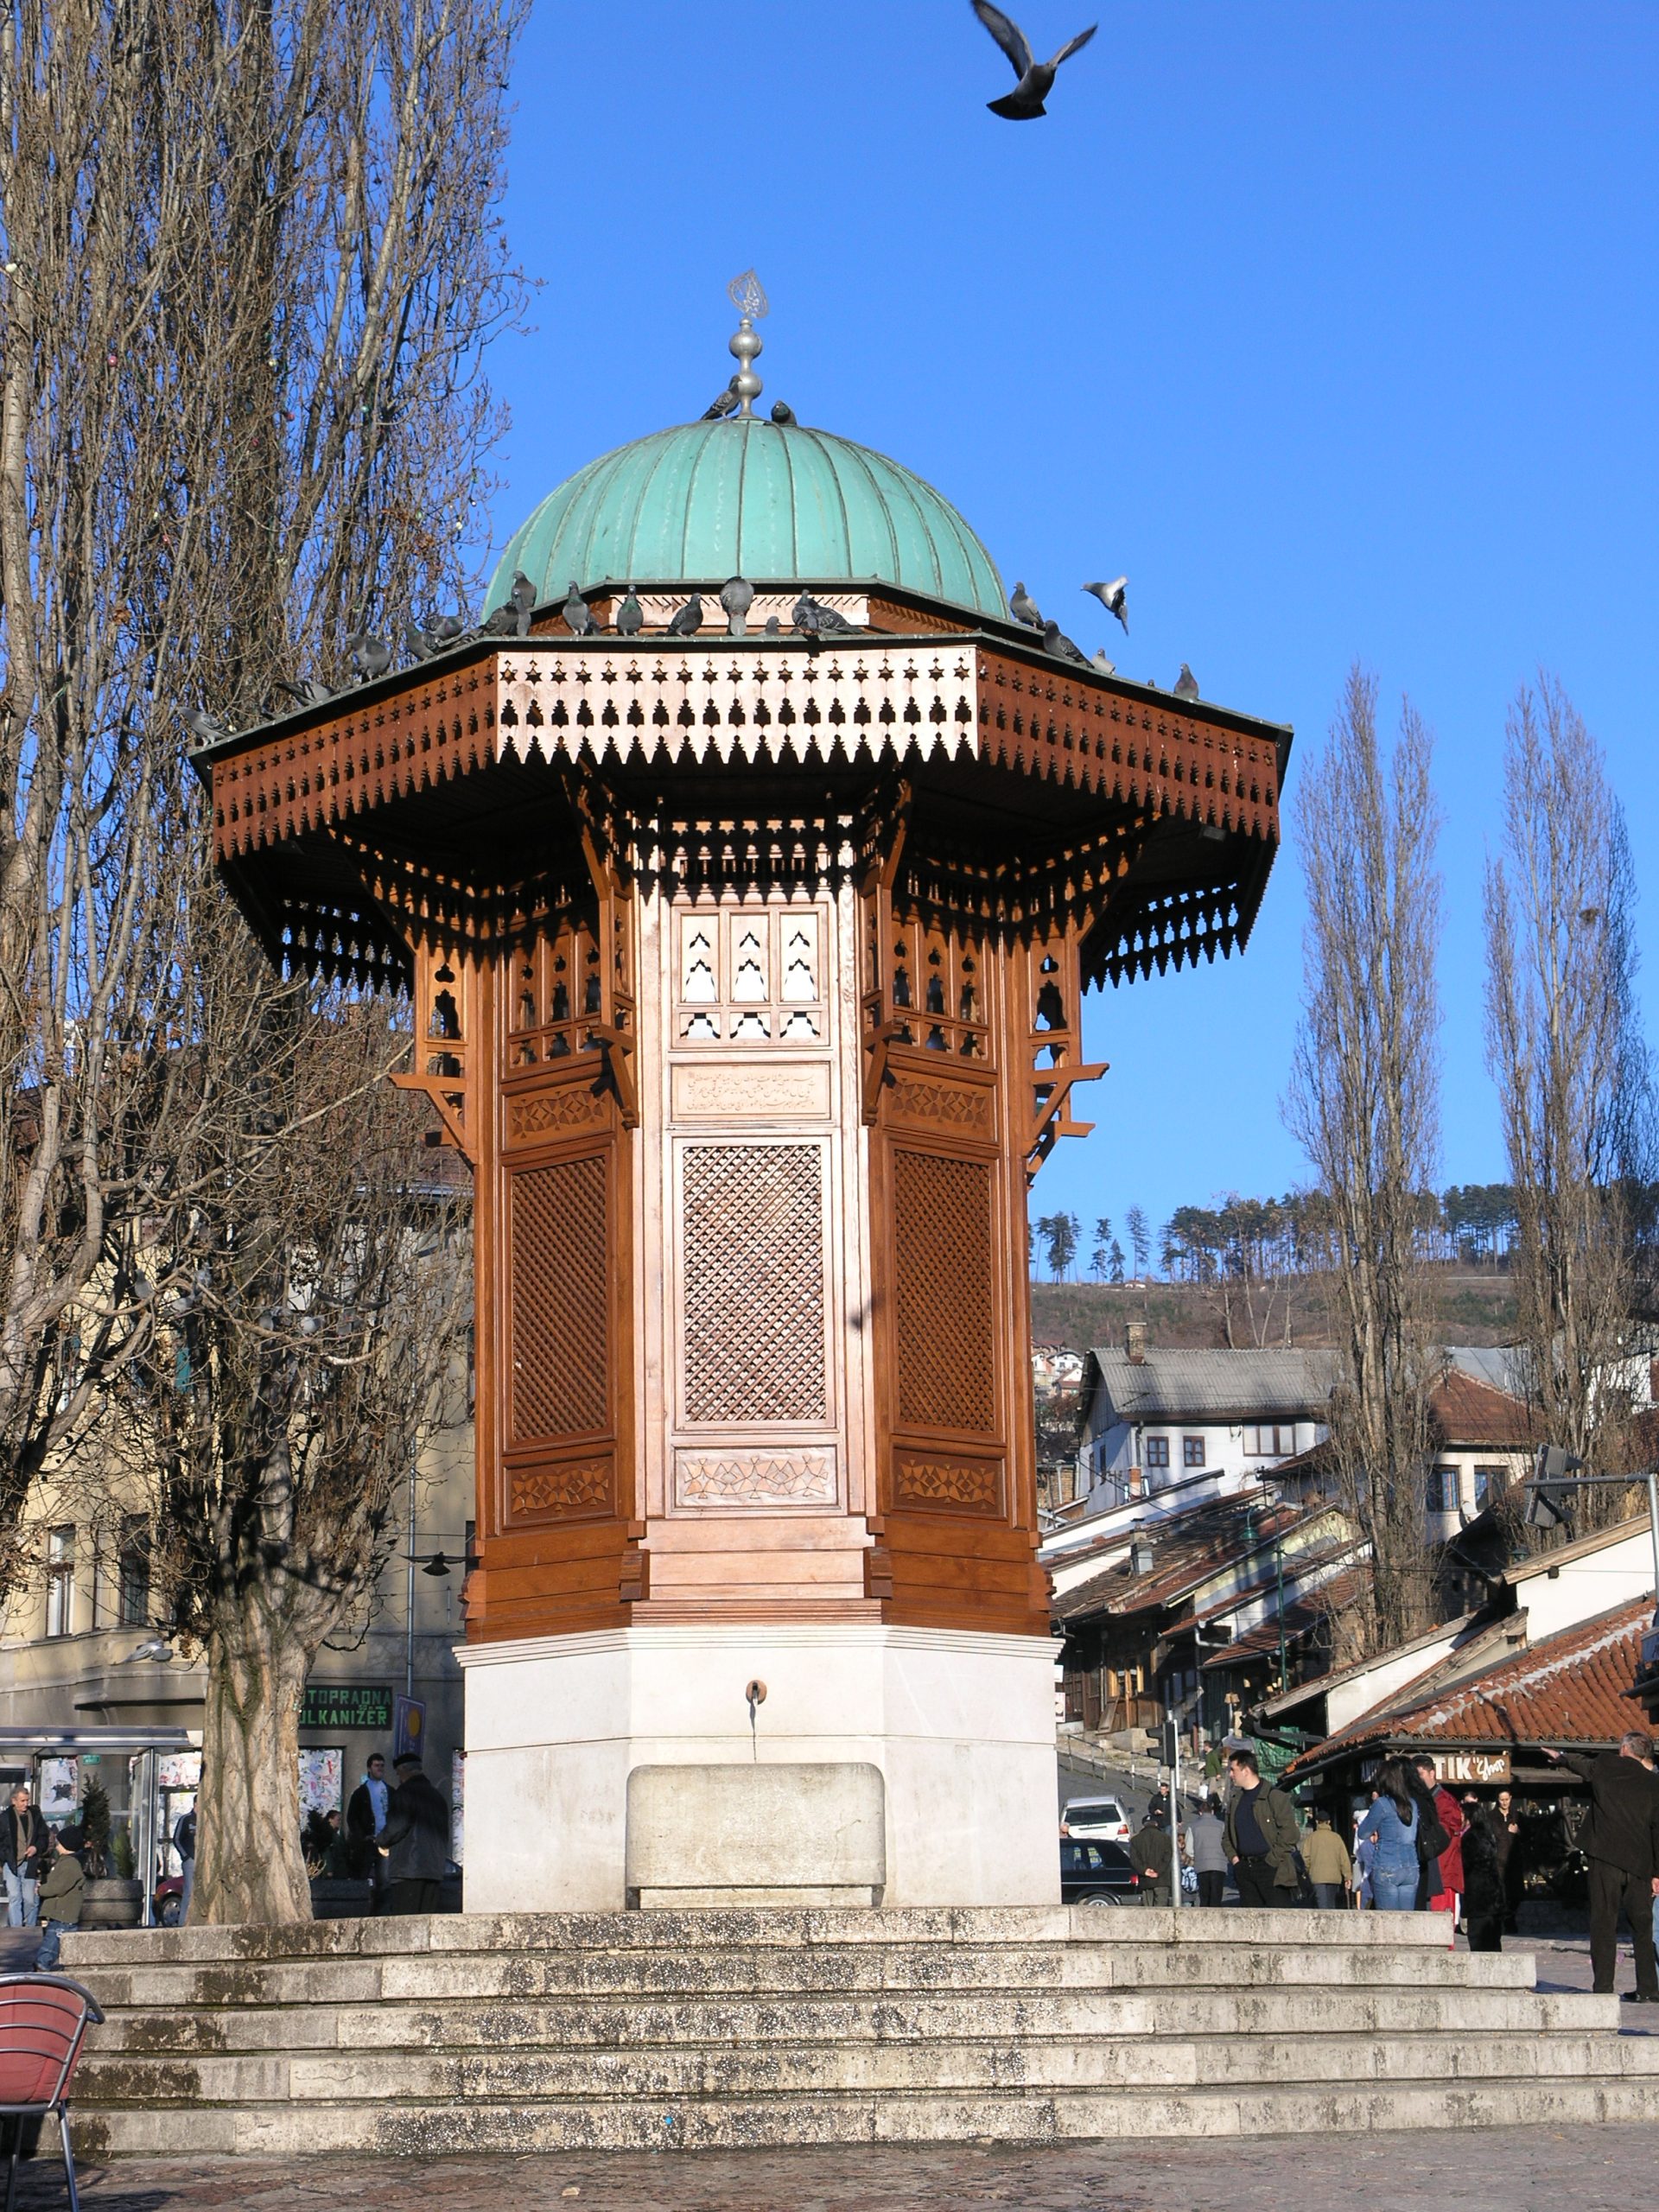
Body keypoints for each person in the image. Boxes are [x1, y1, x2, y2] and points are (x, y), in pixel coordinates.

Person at [1541, 1731, 1659, 2004]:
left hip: (1605, 1858)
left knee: (1604, 1922)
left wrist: (1561, 1757)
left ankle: (1604, 1987)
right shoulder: (1653, 1783)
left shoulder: (1607, 1765)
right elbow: (1657, 1830)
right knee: (1642, 1927)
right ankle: (1649, 1988)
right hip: (1640, 1864)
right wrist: (1657, 1872)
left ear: (1624, 1750)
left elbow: (1582, 1764)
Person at [1222, 1747, 1302, 1905]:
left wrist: (1272, 1860)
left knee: (1277, 1915)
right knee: (1250, 1917)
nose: (1230, 1775)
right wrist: (1236, 1860)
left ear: (1246, 1770)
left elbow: (1290, 1834)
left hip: (1272, 1869)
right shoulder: (1235, 1801)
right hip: (1245, 1868)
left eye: (1233, 1770)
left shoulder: (1274, 1797)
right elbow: (1227, 1837)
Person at [378, 1752, 449, 1915]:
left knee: (406, 1919)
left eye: (398, 1774)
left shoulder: (405, 1793)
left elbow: (397, 1826)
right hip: (434, 1870)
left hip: (409, 1868)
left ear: (404, 1770)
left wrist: (381, 1840)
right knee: (426, 1920)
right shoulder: (437, 1797)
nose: (399, 1778)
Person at [1355, 1759, 1421, 1913]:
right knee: (1407, 1919)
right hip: (1411, 1866)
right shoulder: (1412, 1804)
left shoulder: (1382, 1804)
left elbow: (1363, 1833)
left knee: (1389, 1920)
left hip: (1387, 1864)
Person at [1413, 1756, 1465, 1917]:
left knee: (1441, 1923)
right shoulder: (1419, 1800)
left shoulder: (1445, 1801)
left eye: (1420, 1774)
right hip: (1426, 1871)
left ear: (1432, 1773)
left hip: (1443, 1873)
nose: (1417, 1779)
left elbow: (1445, 1835)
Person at [1459, 1793, 1505, 1953]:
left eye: (1462, 1815)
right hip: (1493, 1898)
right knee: (1493, 1942)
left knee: (1479, 1942)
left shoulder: (1470, 1837)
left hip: (1478, 1898)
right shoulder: (1487, 1834)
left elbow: (1468, 1866)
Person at [35, 1824, 85, 1970]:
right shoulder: (66, 1862)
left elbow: (59, 1887)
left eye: (59, 1843)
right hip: (60, 1912)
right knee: (57, 1939)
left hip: (63, 1913)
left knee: (53, 1940)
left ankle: (43, 1962)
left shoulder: (70, 1865)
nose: (56, 1846)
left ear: (66, 1846)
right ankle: (48, 1963)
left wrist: (41, 1890)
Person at [1, 1785, 43, 1927]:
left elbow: (43, 1836)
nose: (25, 1804)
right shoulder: (5, 1818)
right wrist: (4, 1858)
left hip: (29, 1863)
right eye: (22, 1801)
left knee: (30, 1900)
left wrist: (36, 1848)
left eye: (27, 1800)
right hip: (11, 1863)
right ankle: (16, 1930)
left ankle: (28, 1928)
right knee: (14, 1897)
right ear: (14, 1801)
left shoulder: (35, 1816)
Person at [346, 1754, 391, 1882]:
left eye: (382, 1766)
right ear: (369, 1768)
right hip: (368, 1843)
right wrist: (362, 1836)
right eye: (376, 1765)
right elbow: (352, 1817)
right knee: (362, 1878)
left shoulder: (390, 1791)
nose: (380, 1768)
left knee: (385, 1880)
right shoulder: (360, 1793)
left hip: (386, 1842)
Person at [1302, 1807, 1353, 1910]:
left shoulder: (1311, 1838)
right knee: (1331, 1905)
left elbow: (1305, 1857)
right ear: (1329, 1822)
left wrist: (1307, 1871)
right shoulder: (1337, 1838)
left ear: (1317, 1822)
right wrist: (1348, 1876)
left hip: (1317, 1877)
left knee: (1322, 1906)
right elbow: (1344, 1859)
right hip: (1334, 1877)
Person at [1186, 1796, 1230, 1907]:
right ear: (1213, 1812)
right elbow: (1227, 1843)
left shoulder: (1193, 1827)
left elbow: (1189, 1849)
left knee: (1204, 1896)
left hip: (1202, 1864)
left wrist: (1195, 1856)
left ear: (1200, 1813)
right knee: (1216, 1896)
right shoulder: (1222, 1825)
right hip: (1219, 1864)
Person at [1491, 1787, 1523, 1931]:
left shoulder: (1517, 1816)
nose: (1504, 1803)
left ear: (1510, 1799)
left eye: (1506, 1799)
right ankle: (1501, 1921)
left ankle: (1510, 1918)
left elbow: (1528, 1836)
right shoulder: (1491, 1817)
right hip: (1497, 1861)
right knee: (1499, 1893)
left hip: (1514, 1860)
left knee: (1515, 1893)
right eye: (1502, 1800)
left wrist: (1518, 1832)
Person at [1130, 1811, 1173, 1905]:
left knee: (1148, 1909)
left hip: (1145, 1881)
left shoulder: (1135, 1840)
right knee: (1161, 1909)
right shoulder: (1165, 1838)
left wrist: (1145, 1871)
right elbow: (1167, 1857)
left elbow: (1134, 1860)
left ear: (1143, 1825)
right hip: (1161, 1880)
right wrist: (1158, 1871)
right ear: (1156, 1824)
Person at [173, 1802, 197, 1925]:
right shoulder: (186, 1819)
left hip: (202, 1860)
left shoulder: (205, 1819)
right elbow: (177, 1839)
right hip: (190, 1861)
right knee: (189, 1891)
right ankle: (182, 1923)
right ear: (195, 1804)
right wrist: (186, 1857)